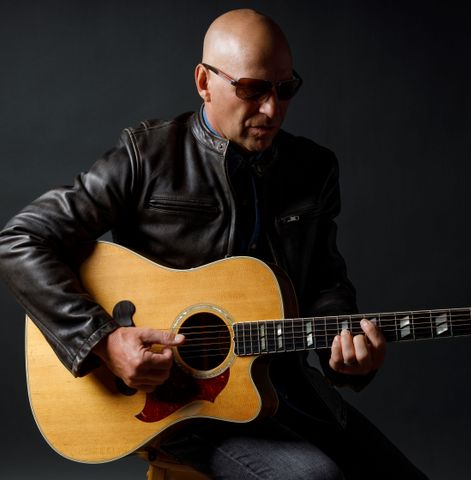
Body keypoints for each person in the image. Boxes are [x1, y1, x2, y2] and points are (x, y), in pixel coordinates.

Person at [0, 9, 427, 480]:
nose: (272, 109)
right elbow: (20, 240)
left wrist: (346, 356)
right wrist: (104, 341)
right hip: (182, 403)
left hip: (286, 390)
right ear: (205, 82)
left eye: (285, 89)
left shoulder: (313, 169)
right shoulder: (148, 156)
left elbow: (326, 285)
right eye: (252, 89)